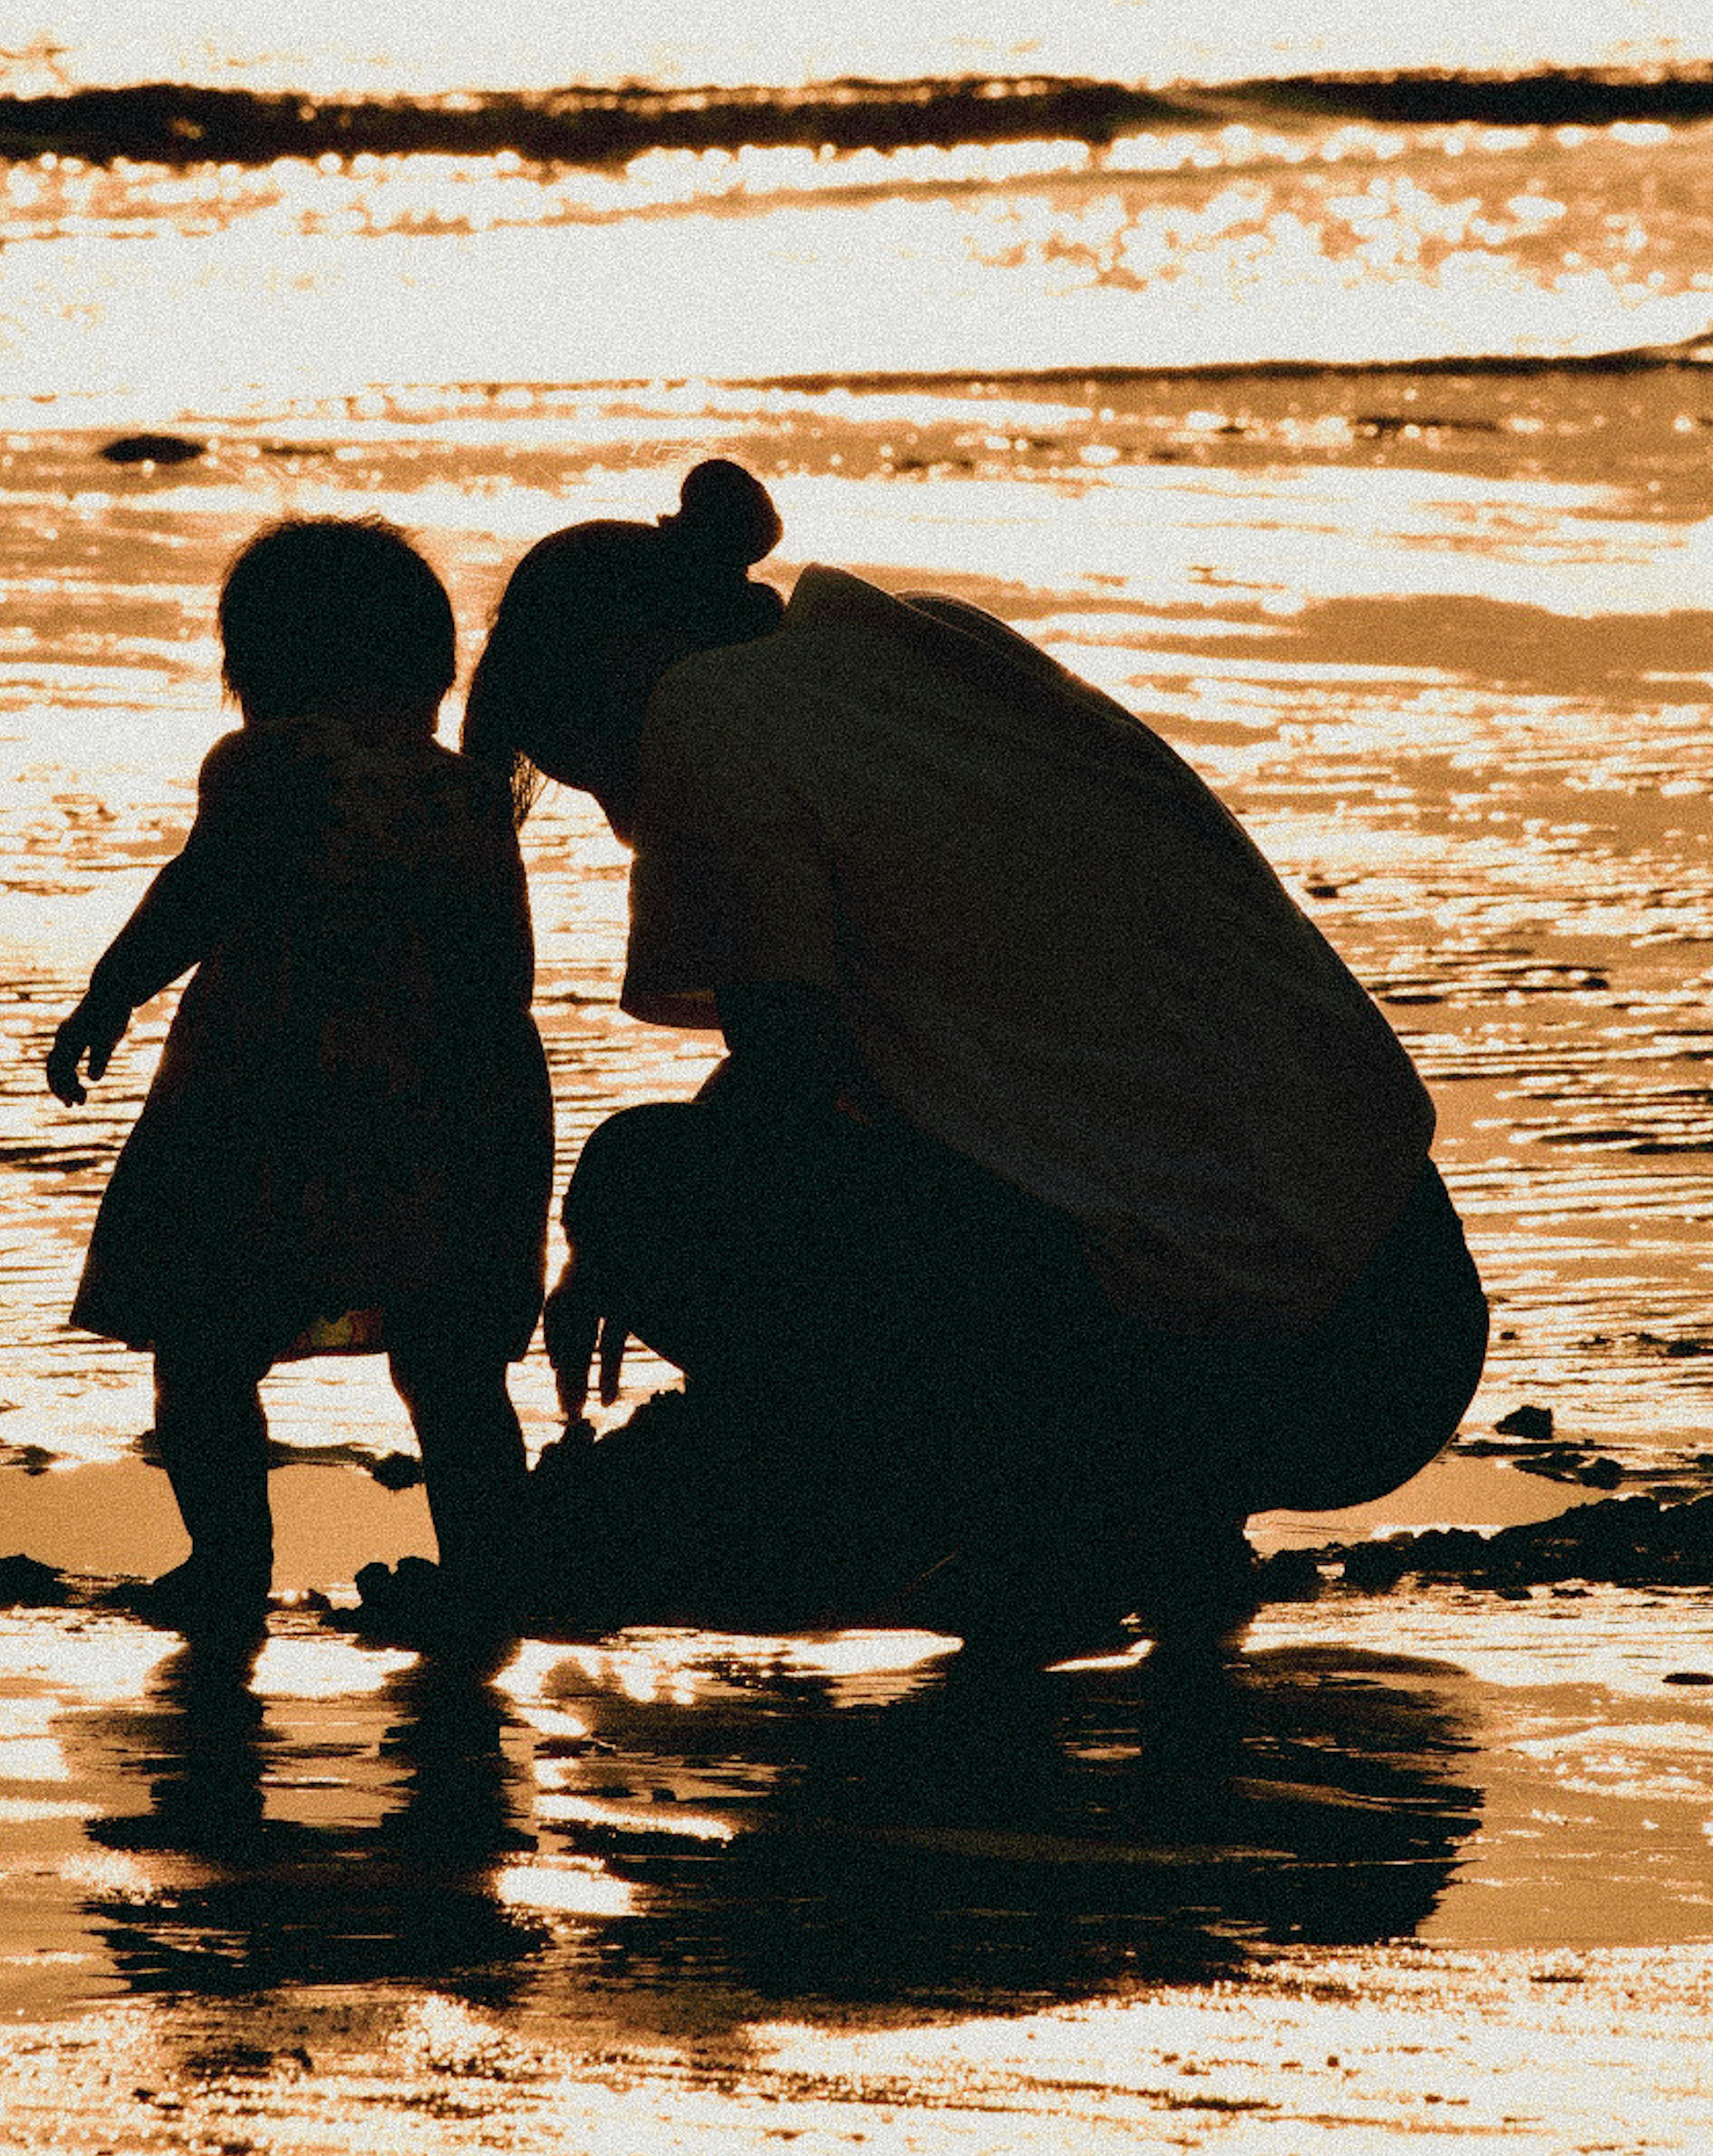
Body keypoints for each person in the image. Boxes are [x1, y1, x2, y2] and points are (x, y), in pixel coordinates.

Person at [463, 460, 1486, 1646]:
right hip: (1408, 1313)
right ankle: (1147, 1518)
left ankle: (1024, 1518)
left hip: (1259, 1357)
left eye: (596, 777)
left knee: (647, 1184)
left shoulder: (708, 712)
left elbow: (787, 1088)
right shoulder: (923, 651)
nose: (624, 817)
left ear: (617, 673)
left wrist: (655, 1323)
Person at [47, 519, 553, 1644]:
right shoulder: (471, 794)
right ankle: (488, 1579)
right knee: (454, 1374)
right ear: (430, 665)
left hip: (267, 1111)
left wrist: (109, 995)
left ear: (258, 667)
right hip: (437, 1124)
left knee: (208, 1346)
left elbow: (201, 891)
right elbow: (499, 985)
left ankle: (229, 1568)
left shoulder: (270, 764)